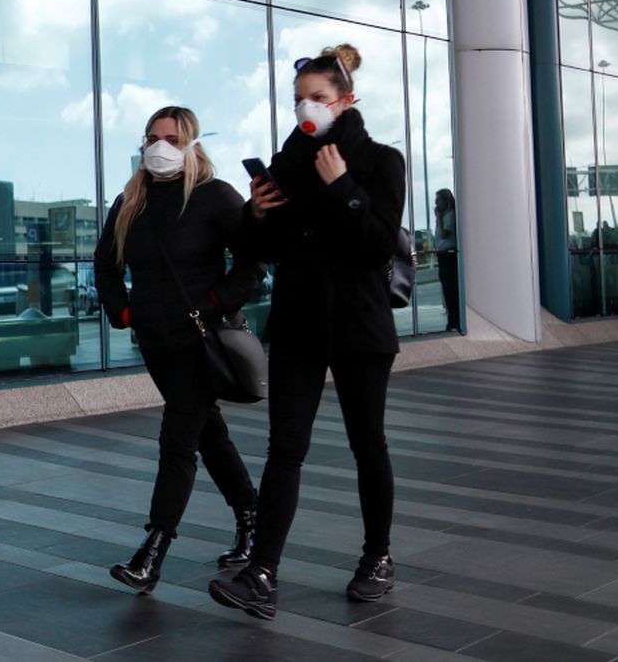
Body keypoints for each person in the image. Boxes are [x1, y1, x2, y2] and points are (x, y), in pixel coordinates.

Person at [209, 44, 406, 620]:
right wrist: (257, 214)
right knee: (285, 449)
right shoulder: (287, 163)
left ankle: (378, 557)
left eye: (317, 99)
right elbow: (261, 252)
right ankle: (261, 573)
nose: (306, 111)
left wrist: (344, 186)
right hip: (298, 324)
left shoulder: (381, 162)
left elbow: (375, 245)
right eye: (299, 101)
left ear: (346, 101)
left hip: (360, 325)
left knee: (367, 443)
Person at [94, 106, 267, 594]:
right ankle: (251, 519)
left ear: (191, 143)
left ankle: (153, 549)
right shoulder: (132, 200)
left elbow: (254, 262)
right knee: (207, 433)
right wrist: (123, 312)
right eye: (151, 137)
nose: (158, 147)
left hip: (200, 340)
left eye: (170, 138)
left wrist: (215, 305)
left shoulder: (214, 196)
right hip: (154, 341)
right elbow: (105, 264)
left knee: (178, 440)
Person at [434, 188, 460, 331]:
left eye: (438, 200)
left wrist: (438, 218)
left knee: (451, 290)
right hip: (442, 254)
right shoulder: (444, 216)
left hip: (449, 254)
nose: (436, 203)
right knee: (447, 289)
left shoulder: (450, 216)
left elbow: (444, 235)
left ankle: (454, 321)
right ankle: (452, 319)